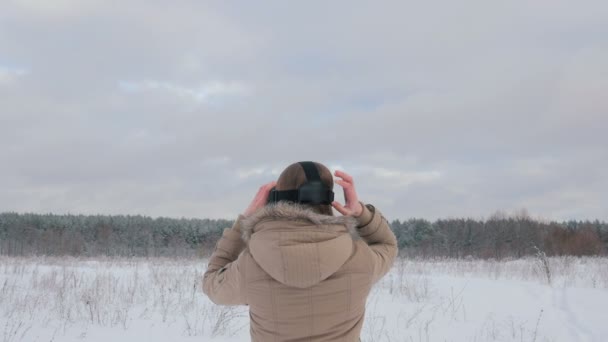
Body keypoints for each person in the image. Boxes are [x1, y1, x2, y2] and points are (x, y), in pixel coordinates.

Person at [203, 161, 398, 341]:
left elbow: (212, 283)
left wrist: (243, 222)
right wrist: (361, 213)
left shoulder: (252, 263)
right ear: (329, 199)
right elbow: (387, 245)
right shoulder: (360, 258)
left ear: (276, 199)